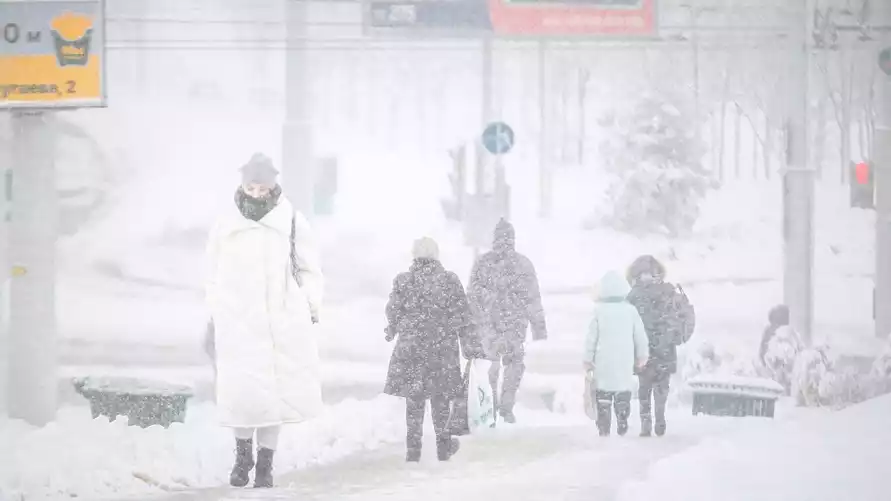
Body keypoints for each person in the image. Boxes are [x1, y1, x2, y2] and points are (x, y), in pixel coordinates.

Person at [205, 153, 324, 488]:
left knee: (274, 398)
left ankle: (265, 467)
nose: (257, 191)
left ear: (273, 184)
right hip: (237, 320)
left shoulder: (291, 221)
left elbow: (310, 269)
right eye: (251, 185)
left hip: (281, 319)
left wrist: (309, 305)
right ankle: (242, 461)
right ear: (243, 184)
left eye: (263, 185)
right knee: (243, 397)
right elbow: (211, 273)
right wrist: (217, 307)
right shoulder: (225, 224)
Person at [384, 237, 483, 462]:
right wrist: (470, 346)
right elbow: (463, 317)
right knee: (441, 401)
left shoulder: (403, 281)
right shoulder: (448, 281)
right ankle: (444, 446)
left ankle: (413, 449)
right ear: (436, 255)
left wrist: (393, 329)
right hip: (441, 351)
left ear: (414, 255)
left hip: (411, 351)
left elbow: (393, 312)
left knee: (414, 402)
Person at [468, 218, 547, 424]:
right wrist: (539, 329)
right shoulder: (523, 264)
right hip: (515, 324)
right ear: (513, 239)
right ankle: (507, 405)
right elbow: (533, 299)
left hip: (490, 324)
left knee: (491, 366)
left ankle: (491, 406)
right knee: (514, 364)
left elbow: (472, 296)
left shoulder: (483, 263)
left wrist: (472, 324)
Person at [626, 255, 693, 437]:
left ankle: (646, 423)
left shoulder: (633, 296)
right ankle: (660, 419)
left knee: (644, 388)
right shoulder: (668, 291)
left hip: (643, 351)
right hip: (665, 349)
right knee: (661, 388)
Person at [583, 271, 650, 436]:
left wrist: (587, 358)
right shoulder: (631, 311)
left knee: (603, 394)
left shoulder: (598, 311)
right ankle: (622, 419)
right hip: (624, 360)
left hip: (603, 361)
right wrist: (642, 355)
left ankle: (604, 426)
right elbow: (640, 336)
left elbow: (591, 338)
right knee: (622, 391)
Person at [759, 304, 802, 393]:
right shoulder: (787, 331)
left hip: (772, 363)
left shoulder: (770, 330)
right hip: (776, 363)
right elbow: (799, 347)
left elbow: (761, 350)